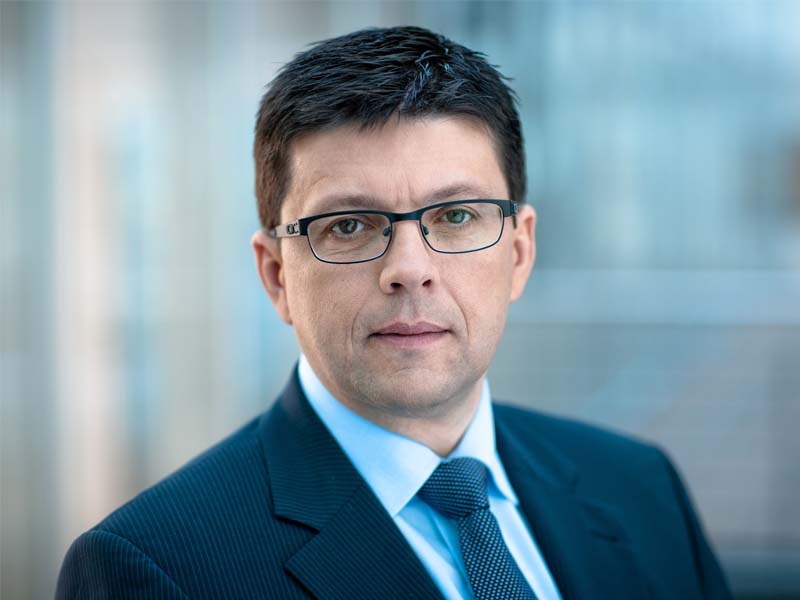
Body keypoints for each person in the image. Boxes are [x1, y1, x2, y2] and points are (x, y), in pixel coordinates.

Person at [57, 26, 732, 599]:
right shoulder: (154, 569)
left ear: (520, 251)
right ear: (276, 275)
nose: (410, 268)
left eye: (457, 216)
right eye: (349, 225)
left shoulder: (641, 489)